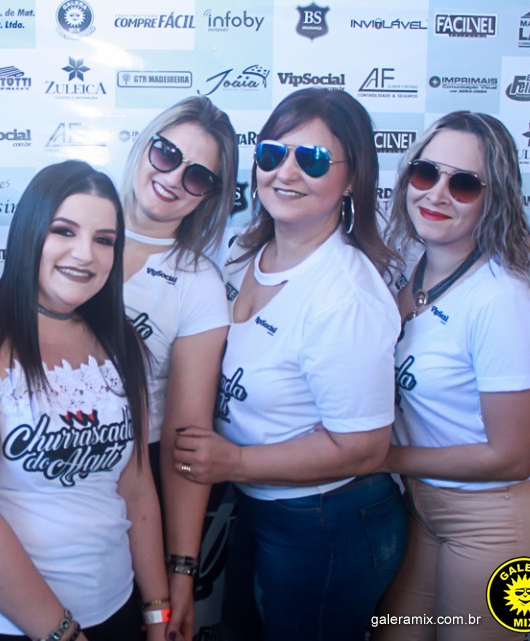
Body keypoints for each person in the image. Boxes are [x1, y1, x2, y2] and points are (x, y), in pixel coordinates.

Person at [172, 88, 407, 640]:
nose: (286, 172)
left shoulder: (346, 295)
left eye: (314, 159)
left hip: (327, 522)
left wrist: (233, 461)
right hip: (260, 506)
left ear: (352, 179)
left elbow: (364, 447)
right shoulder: (239, 252)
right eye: (273, 153)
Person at [0, 160, 170, 641]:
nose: (85, 254)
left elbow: (136, 490)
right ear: (30, 232)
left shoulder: (124, 342)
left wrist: (158, 611)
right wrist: (62, 633)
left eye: (104, 240)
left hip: (113, 610)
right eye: (64, 231)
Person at [372, 112, 530, 641]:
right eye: (425, 173)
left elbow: (510, 456)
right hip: (423, 511)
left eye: (464, 184)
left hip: (500, 521)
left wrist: (376, 456)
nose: (436, 194)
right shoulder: (411, 268)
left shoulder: (500, 301)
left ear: (493, 198)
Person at [119, 96, 236, 641]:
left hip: (136, 492)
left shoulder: (199, 284)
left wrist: (181, 571)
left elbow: (186, 437)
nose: (172, 179)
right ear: (145, 144)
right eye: (167, 154)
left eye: (197, 176)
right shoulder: (64, 229)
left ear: (211, 195)